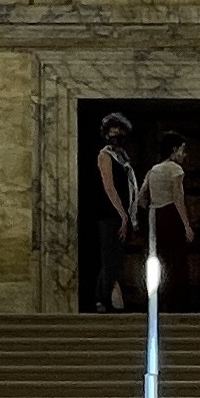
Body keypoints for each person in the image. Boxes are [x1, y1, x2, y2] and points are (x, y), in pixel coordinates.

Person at [85, 112, 142, 312]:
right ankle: (106, 300)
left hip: (121, 213)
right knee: (110, 258)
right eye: (111, 129)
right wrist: (122, 215)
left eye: (118, 129)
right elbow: (109, 186)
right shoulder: (105, 155)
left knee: (115, 258)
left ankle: (106, 299)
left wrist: (129, 213)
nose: (115, 132)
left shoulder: (123, 157)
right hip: (109, 213)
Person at [143, 131, 194, 277]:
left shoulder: (153, 170)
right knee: (176, 261)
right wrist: (186, 225)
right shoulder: (175, 169)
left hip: (155, 216)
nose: (184, 154)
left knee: (160, 258)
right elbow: (178, 197)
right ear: (174, 149)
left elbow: (141, 196)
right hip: (171, 216)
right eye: (182, 150)